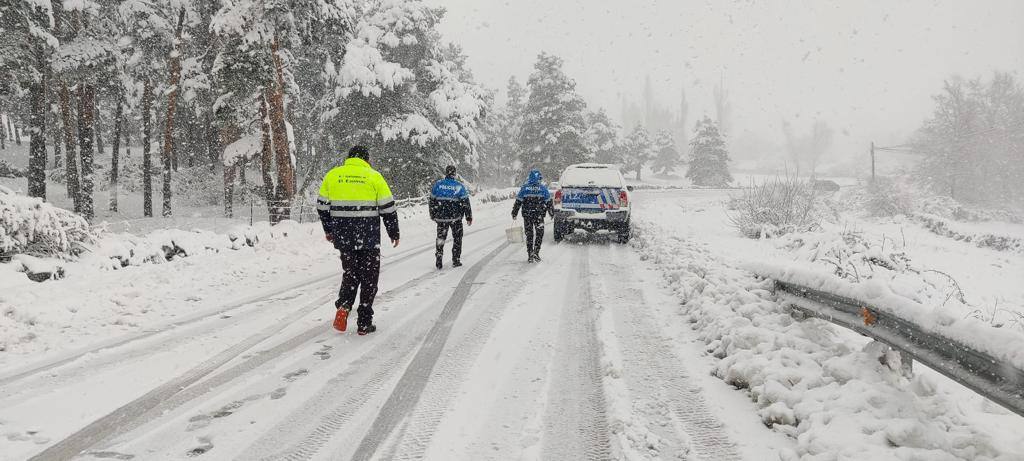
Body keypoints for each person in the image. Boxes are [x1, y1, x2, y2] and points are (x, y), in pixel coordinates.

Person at [316, 145, 400, 335]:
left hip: (344, 235)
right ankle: (364, 321)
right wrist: (393, 232)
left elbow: (322, 206)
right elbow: (388, 208)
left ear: (349, 158)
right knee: (369, 277)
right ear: (366, 159)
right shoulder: (374, 176)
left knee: (351, 273)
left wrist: (329, 229)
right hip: (368, 236)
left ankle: (344, 306)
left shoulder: (333, 175)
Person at [429, 165, 473, 269]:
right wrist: (468, 216)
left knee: (441, 238)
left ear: (446, 173)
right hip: (455, 218)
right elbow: (465, 203)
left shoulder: (438, 185)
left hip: (441, 218)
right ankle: (456, 260)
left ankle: (439, 257)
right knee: (457, 238)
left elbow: (431, 201)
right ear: (454, 174)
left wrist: (432, 214)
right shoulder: (459, 186)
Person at [511, 169, 554, 262]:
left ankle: (530, 253)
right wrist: (551, 212)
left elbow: (518, 201)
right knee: (539, 234)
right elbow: (549, 202)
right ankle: (536, 252)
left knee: (529, 234)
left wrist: (514, 213)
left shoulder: (524, 188)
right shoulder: (543, 189)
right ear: (538, 178)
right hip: (539, 216)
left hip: (527, 215)